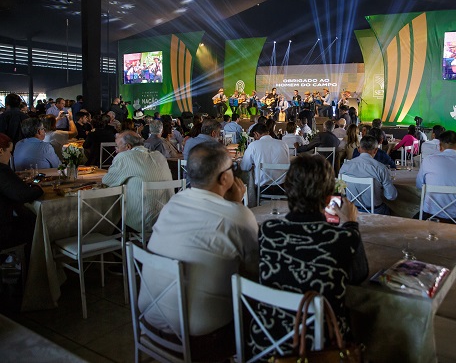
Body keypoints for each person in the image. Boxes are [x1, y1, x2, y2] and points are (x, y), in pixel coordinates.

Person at [141, 142, 258, 362]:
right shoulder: (237, 216)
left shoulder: (173, 203)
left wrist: (232, 205)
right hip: (200, 339)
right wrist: (238, 206)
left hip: (149, 323)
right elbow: (255, 270)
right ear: (225, 179)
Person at [251, 153, 368, 356]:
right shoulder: (341, 237)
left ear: (287, 189)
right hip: (323, 346)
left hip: (267, 343)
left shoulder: (269, 230)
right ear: (328, 195)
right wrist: (350, 223)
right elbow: (359, 275)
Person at [102, 131, 173, 234]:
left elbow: (106, 182)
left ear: (128, 147)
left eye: (117, 146)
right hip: (167, 219)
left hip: (142, 223)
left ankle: (120, 247)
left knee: (111, 219)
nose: (116, 150)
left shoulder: (124, 157)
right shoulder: (159, 156)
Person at [0, 133, 43, 255]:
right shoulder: (2, 170)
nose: (11, 156)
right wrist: (37, 188)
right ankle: (35, 268)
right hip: (3, 232)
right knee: (38, 226)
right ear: (0, 151)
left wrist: (15, 179)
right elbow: (24, 195)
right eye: (9, 152)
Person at [340, 135, 398, 215]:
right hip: (375, 212)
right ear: (376, 150)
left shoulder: (345, 166)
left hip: (351, 211)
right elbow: (391, 196)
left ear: (359, 149)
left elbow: (341, 190)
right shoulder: (380, 168)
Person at [240, 123, 289, 192]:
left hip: (263, 189)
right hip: (282, 187)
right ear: (268, 132)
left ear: (256, 134)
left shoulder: (253, 145)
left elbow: (244, 167)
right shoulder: (283, 144)